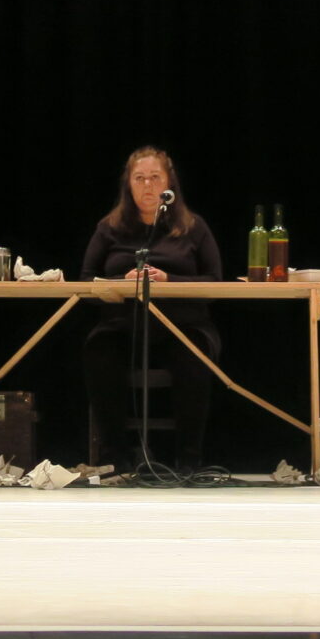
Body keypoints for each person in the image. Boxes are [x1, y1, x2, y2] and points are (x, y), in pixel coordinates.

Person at [77, 146, 224, 472]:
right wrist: (122, 282)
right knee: (99, 350)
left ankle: (188, 459)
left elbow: (215, 282)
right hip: (122, 325)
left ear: (169, 183)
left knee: (193, 354)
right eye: (139, 178)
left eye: (155, 177)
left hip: (181, 325)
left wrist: (170, 280)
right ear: (128, 184)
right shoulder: (108, 227)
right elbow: (86, 282)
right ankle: (114, 457)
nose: (147, 185)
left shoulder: (194, 227)